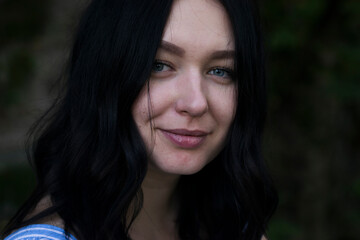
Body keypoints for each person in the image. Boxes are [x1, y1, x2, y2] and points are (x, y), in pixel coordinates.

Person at [1, 0, 278, 239]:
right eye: (159, 65)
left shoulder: (231, 226)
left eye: (220, 71)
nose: (196, 103)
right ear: (106, 75)